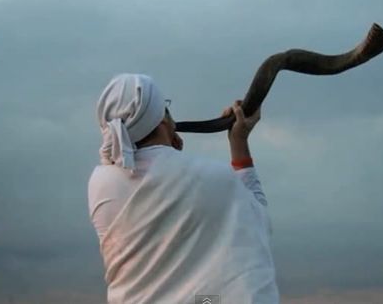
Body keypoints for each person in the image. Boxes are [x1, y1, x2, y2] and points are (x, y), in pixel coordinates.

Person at [88, 73, 279, 304]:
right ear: (161, 119)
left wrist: (166, 143)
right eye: (166, 109)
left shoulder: (100, 183)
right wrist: (239, 141)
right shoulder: (212, 177)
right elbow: (258, 217)